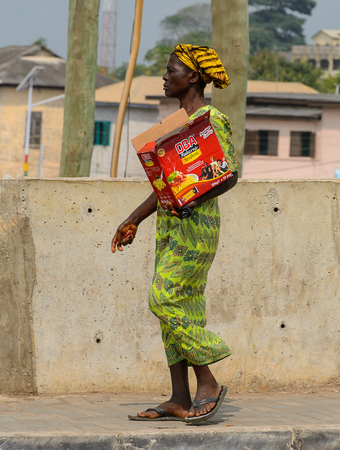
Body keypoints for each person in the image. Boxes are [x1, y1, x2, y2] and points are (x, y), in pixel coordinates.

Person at [111, 44, 238, 423]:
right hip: (170, 226)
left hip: (196, 228)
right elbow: (164, 183)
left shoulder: (211, 119)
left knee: (162, 298)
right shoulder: (175, 126)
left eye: (171, 71)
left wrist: (192, 199)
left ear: (193, 77)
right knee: (180, 310)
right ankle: (180, 398)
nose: (165, 77)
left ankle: (208, 379)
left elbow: (228, 175)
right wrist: (133, 219)